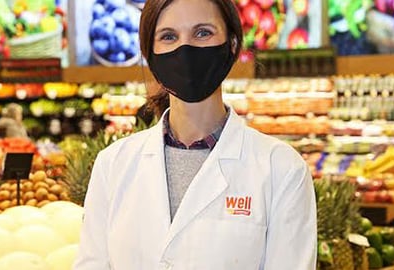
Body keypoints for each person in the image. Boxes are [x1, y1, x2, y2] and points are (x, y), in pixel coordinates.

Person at [74, 0, 317, 269]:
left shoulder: (282, 170)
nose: (185, 50)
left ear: (232, 45)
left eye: (203, 33)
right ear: (150, 54)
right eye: (168, 37)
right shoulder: (113, 165)